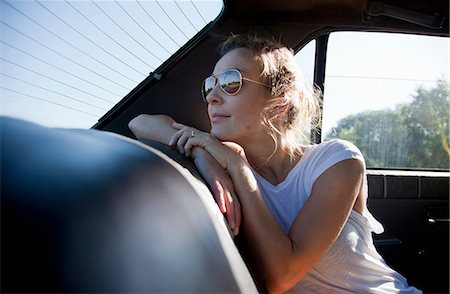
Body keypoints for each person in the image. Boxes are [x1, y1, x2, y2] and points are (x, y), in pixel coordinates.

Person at [128, 34, 421, 293]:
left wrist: (240, 170)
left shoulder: (337, 161)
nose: (212, 98)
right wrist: (200, 151)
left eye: (231, 82)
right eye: (210, 85)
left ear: (279, 102)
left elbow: (284, 276)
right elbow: (140, 123)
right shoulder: (215, 153)